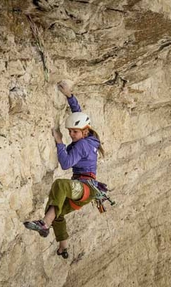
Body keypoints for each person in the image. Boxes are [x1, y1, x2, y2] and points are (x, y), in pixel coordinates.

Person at [23, 80, 105, 259]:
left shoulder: (82, 145)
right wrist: (69, 95)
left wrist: (60, 142)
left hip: (85, 187)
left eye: (74, 132)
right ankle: (63, 247)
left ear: (83, 132)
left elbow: (66, 164)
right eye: (70, 131)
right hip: (85, 189)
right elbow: (78, 114)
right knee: (55, 209)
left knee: (60, 185)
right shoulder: (89, 135)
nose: (70, 134)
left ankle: (44, 224)